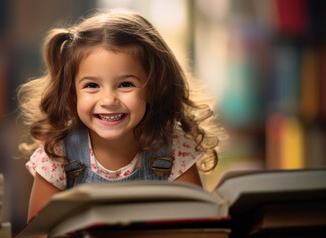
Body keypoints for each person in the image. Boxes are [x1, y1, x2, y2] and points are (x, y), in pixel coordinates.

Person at [18, 8, 223, 222]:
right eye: (92, 85)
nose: (108, 100)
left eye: (125, 84)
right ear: (72, 94)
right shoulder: (58, 153)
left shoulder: (173, 147)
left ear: (153, 89)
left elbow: (197, 226)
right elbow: (38, 234)